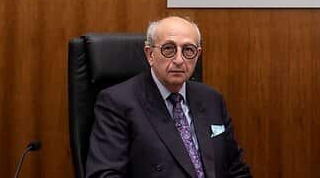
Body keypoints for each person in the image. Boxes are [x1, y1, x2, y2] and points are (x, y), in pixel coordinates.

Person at [85, 16, 252, 178]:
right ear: (150, 54)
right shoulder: (117, 102)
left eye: (188, 50)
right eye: (169, 49)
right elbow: (104, 174)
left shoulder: (212, 99)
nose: (179, 60)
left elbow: (236, 170)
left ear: (197, 55)